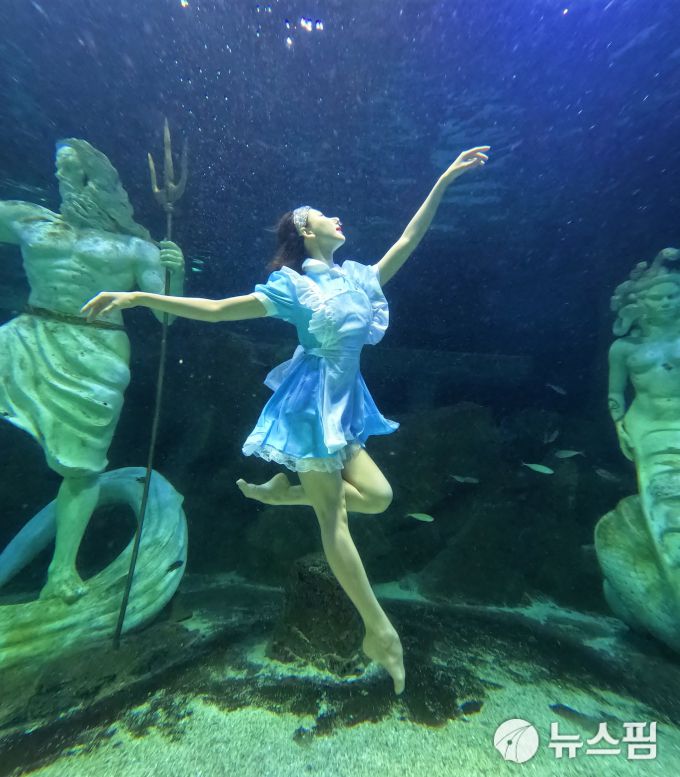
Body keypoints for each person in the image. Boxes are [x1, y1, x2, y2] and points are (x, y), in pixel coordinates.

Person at [82, 145, 490, 694]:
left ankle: (280, 495)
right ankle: (379, 630)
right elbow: (219, 310)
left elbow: (407, 241)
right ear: (304, 229)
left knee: (378, 497)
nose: (336, 217)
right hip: (310, 409)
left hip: (345, 407)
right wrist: (138, 296)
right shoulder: (293, 288)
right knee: (334, 518)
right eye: (323, 214)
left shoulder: (357, 281)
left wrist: (443, 180)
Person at [0, 139, 185, 602]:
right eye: (60, 171)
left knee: (81, 469)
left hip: (94, 352)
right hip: (28, 334)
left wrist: (176, 273)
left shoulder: (136, 247)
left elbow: (166, 314)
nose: (62, 180)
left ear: (98, 181)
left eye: (72, 171)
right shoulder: (31, 221)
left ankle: (61, 571)